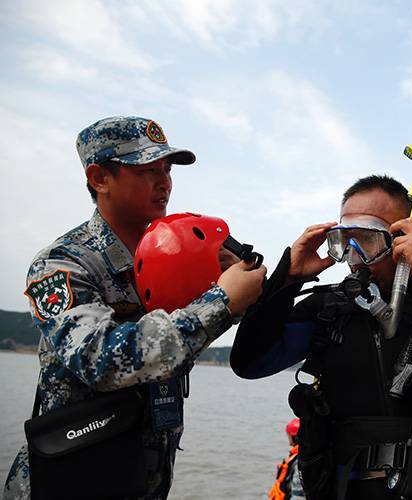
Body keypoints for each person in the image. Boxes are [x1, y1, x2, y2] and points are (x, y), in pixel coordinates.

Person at [3, 116, 266, 500]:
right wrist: (222, 301)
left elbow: (192, 332)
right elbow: (101, 360)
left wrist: (280, 279)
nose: (165, 182)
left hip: (142, 481)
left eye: (167, 169)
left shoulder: (173, 256)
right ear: (99, 179)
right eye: (147, 171)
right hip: (69, 482)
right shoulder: (62, 264)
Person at [230, 175, 412, 499]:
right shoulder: (328, 310)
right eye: (343, 241)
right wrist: (289, 279)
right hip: (340, 488)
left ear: (403, 238)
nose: (353, 254)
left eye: (366, 240)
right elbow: (249, 362)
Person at [269, 418, 305, 500]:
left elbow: (298, 494)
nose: (288, 437)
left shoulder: (299, 462)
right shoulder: (296, 456)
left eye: (288, 434)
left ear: (294, 436)